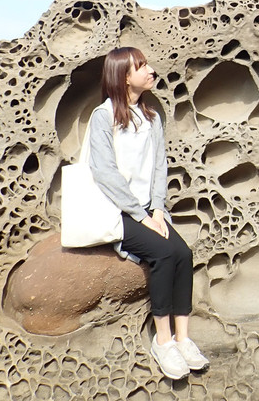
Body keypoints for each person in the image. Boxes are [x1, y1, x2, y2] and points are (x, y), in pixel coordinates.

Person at [88, 46, 208, 380]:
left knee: (183, 253)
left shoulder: (150, 116)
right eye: (141, 67)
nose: (151, 70)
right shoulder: (103, 116)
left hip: (147, 209)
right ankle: (163, 341)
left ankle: (183, 339)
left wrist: (156, 208)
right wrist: (140, 216)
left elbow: (159, 167)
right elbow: (104, 172)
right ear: (124, 76)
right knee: (164, 255)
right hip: (119, 212)